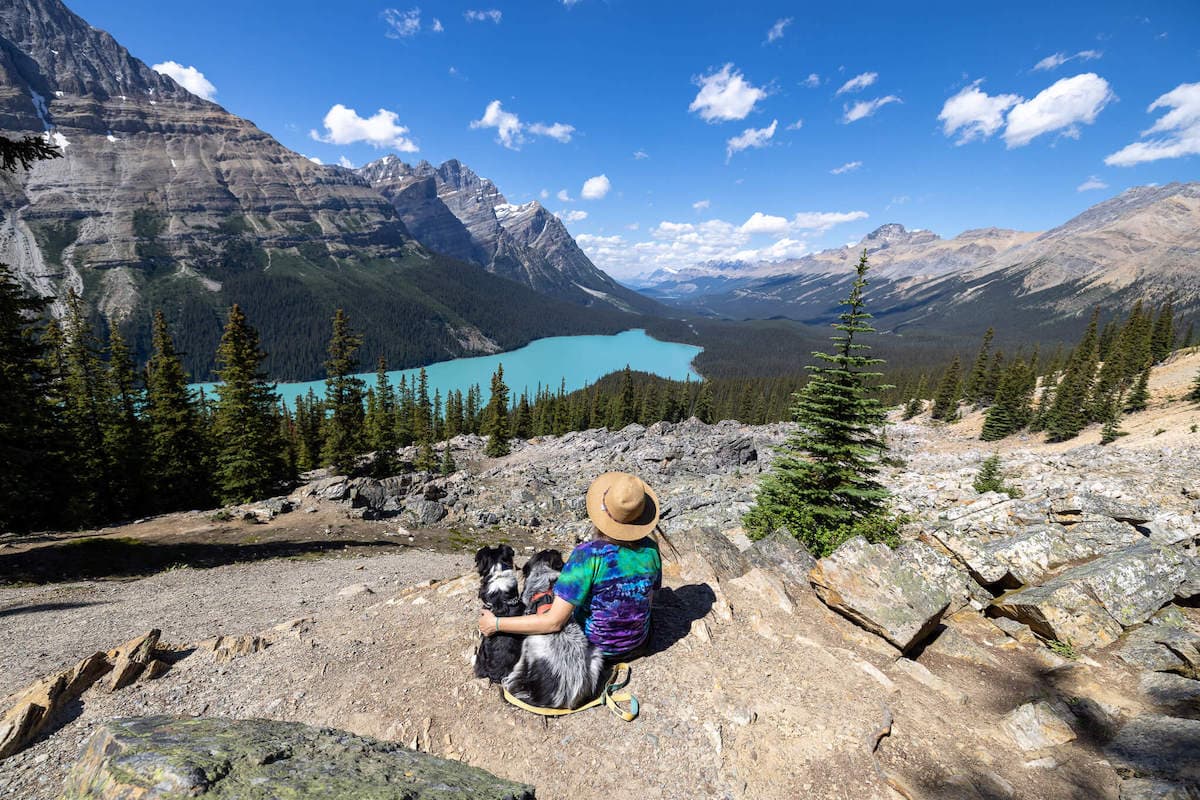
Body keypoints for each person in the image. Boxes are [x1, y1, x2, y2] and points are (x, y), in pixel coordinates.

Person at [477, 471, 663, 663]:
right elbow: (647, 600)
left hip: (594, 652)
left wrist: (495, 623)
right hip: (640, 644)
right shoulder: (651, 549)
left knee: (547, 610)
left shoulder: (587, 555)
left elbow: (554, 623)